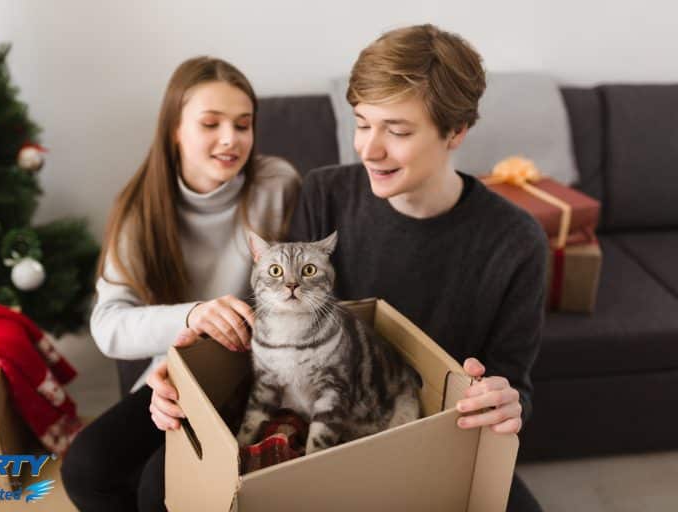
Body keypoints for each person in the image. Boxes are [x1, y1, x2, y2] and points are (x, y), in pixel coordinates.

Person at [150, 25, 546, 511]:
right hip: (329, 426)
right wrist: (182, 378)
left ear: (456, 132)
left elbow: (515, 384)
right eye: (361, 123)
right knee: (160, 484)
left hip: (429, 438)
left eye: (397, 131)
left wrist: (507, 403)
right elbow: (274, 332)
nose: (368, 149)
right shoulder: (324, 193)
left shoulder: (517, 241)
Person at [60, 56, 300, 512]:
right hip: (184, 374)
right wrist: (192, 315)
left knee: (161, 484)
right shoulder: (139, 208)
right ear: (174, 128)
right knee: (86, 467)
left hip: (262, 375)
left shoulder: (277, 185)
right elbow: (109, 325)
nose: (231, 139)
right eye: (211, 123)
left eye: (243, 125)